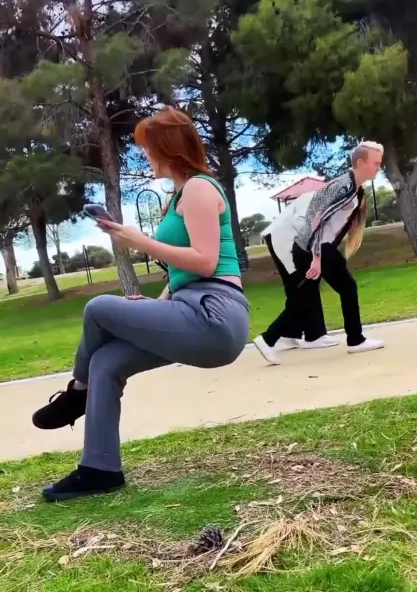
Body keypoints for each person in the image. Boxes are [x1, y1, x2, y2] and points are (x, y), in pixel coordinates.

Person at [32, 107, 249, 502]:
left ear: (168, 147)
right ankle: (99, 469)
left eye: (148, 148)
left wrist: (138, 241)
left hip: (215, 315)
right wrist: (155, 305)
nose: (144, 155)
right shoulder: (178, 197)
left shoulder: (201, 189)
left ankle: (77, 392)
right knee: (106, 361)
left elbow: (205, 262)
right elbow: (181, 274)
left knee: (97, 308)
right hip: (189, 308)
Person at [255, 142, 385, 364]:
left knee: (305, 298)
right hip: (313, 248)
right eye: (376, 163)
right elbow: (317, 219)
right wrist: (316, 257)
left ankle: (269, 338)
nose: (379, 168)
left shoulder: (352, 187)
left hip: (313, 248)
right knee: (344, 288)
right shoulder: (344, 187)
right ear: (360, 162)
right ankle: (355, 340)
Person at [254, 193, 339, 365]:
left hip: (286, 236)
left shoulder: (325, 196)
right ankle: (269, 338)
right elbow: (305, 224)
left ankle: (298, 334)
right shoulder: (324, 197)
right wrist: (316, 253)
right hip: (286, 239)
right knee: (305, 287)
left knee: (302, 286)